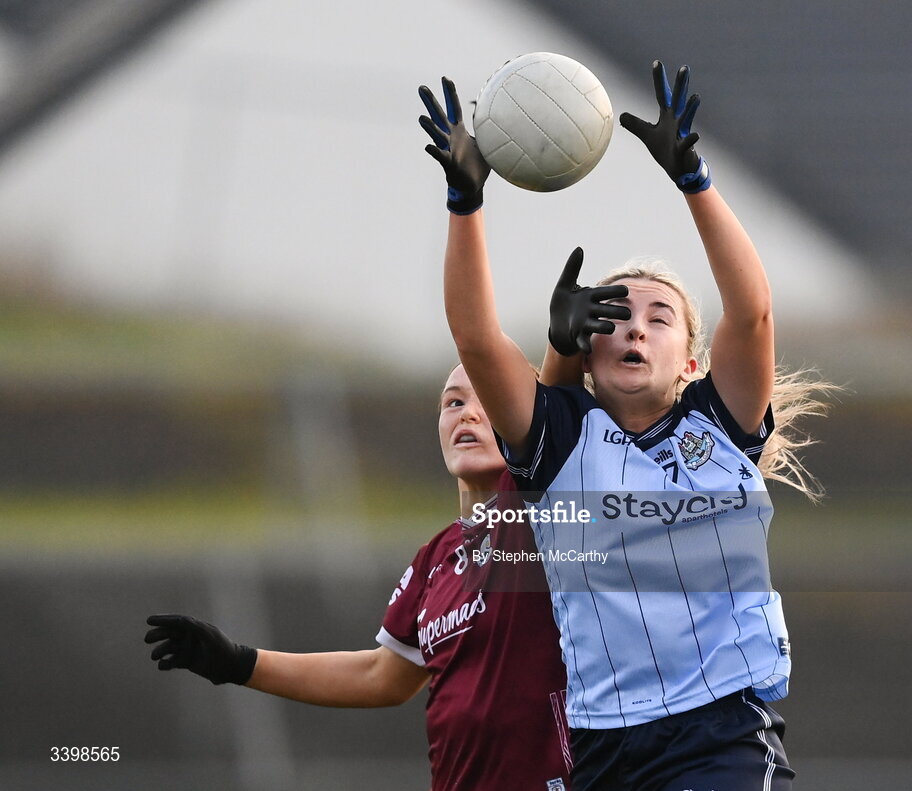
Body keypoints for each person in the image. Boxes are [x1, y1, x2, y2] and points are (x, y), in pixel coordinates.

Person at [419, 60, 835, 790]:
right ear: (587, 349)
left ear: (690, 361)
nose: (634, 328)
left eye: (658, 316)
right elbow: (478, 338)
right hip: (607, 746)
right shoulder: (561, 441)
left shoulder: (722, 420)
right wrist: (465, 200)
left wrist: (695, 179)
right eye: (613, 316)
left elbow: (755, 311)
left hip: (722, 732)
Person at [145, 363, 578, 791]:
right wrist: (239, 663)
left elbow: (550, 389)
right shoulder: (436, 558)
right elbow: (382, 676)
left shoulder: (543, 515)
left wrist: (564, 346)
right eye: (454, 402)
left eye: (489, 395)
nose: (467, 413)